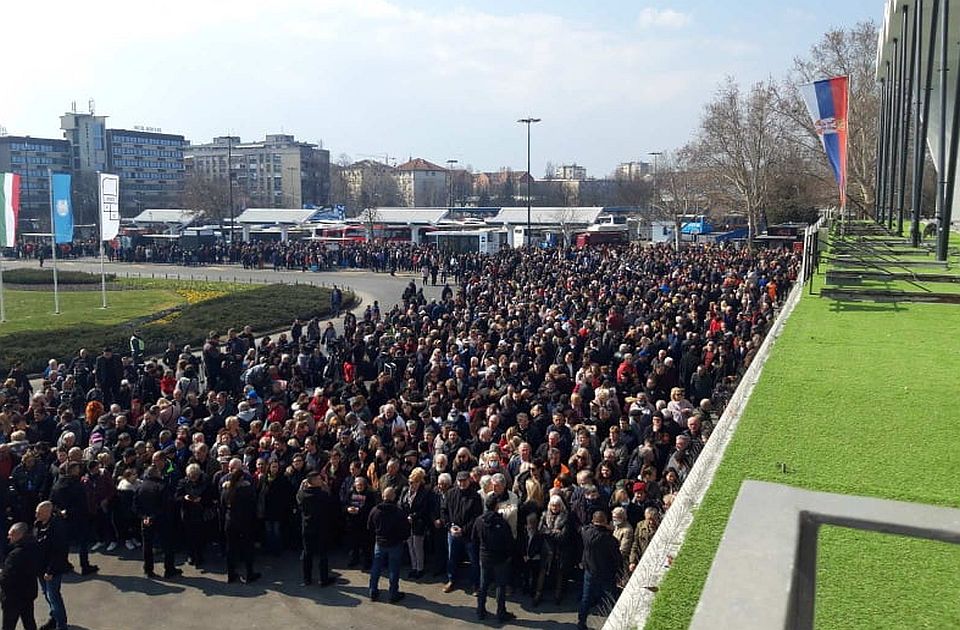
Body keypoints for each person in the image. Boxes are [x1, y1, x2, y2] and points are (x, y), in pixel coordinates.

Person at [472, 493, 516, 623]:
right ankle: (501, 612)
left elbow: (474, 539)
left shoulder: (479, 520)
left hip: (484, 557)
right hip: (500, 558)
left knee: (483, 585)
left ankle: (480, 610)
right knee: (500, 586)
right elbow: (509, 542)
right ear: (496, 506)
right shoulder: (502, 523)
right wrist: (508, 555)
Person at [49, 461, 98, 576]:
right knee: (82, 542)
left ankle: (65, 564)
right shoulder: (76, 484)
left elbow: (52, 500)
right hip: (78, 517)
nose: (78, 470)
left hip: (63, 517)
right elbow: (81, 502)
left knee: (65, 542)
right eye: (76, 469)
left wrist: (60, 511)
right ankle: (85, 566)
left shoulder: (58, 483)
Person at [578, 511, 622, 630]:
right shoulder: (609, 539)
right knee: (611, 597)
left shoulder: (586, 533)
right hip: (605, 572)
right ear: (606, 522)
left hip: (590, 570)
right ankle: (615, 622)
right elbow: (617, 557)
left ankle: (581, 622)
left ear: (593, 521)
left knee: (586, 597)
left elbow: (585, 527)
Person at [134, 466, 180, 579]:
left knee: (147, 545)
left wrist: (145, 516)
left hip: (145, 520)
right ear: (156, 474)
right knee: (167, 545)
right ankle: (169, 569)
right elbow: (166, 506)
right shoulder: (162, 486)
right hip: (162, 520)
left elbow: (135, 506)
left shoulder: (140, 487)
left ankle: (148, 570)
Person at [441, 471, 483, 594]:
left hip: (469, 535)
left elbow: (476, 517)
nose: (462, 483)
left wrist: (463, 530)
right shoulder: (450, 494)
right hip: (452, 532)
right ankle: (451, 580)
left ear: (469, 481)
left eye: (464, 480)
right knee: (451, 558)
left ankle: (475, 584)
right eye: (459, 481)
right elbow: (444, 511)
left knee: (473, 560)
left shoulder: (475, 496)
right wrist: (449, 526)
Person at [366, 486, 409, 603]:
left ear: (383, 496)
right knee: (393, 569)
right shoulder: (398, 512)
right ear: (394, 497)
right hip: (395, 544)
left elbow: (369, 526)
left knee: (376, 568)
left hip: (379, 543)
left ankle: (372, 591)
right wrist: (403, 539)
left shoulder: (375, 510)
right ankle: (393, 593)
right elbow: (405, 529)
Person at [221, 459, 260, 584]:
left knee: (230, 548)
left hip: (230, 521)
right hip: (245, 521)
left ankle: (231, 574)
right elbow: (253, 504)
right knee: (248, 547)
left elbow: (222, 505)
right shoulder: (247, 490)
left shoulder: (226, 490)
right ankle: (249, 573)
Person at [297, 471, 338, 587]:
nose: (321, 481)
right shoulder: (323, 495)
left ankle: (307, 579)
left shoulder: (303, 495)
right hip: (321, 527)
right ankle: (323, 579)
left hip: (307, 527)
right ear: (314, 481)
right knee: (322, 554)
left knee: (307, 553)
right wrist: (325, 486)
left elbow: (298, 498)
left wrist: (303, 486)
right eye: (319, 479)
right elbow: (331, 503)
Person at [34, 502, 69, 630]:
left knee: (53, 596)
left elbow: (59, 551)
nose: (36, 514)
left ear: (48, 513)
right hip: (40, 568)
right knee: (47, 595)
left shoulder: (56, 527)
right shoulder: (38, 525)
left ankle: (61, 624)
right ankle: (54, 618)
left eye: (39, 512)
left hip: (51, 570)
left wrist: (50, 570)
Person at [0, 522, 39, 630]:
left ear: (19, 535)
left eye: (11, 534)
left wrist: (1, 574)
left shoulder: (15, 555)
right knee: (29, 622)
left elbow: (6, 578)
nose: (8, 537)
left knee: (8, 625)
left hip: (13, 597)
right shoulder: (34, 547)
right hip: (28, 593)